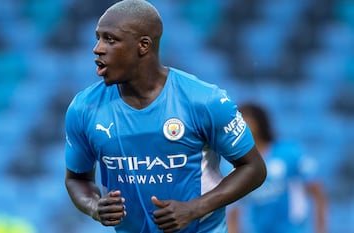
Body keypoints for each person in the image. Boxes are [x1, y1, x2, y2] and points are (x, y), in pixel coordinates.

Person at [63, 1, 267, 232]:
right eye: (98, 38)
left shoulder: (204, 101)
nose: (97, 48)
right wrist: (94, 206)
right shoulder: (84, 108)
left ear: (143, 45)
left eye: (110, 39)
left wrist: (194, 209)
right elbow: (77, 178)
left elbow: (254, 168)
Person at [225, 103, 327, 233]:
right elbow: (234, 212)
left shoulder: (288, 152)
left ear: (259, 122)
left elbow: (317, 190)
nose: (239, 125)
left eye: (243, 119)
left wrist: (321, 229)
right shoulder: (236, 164)